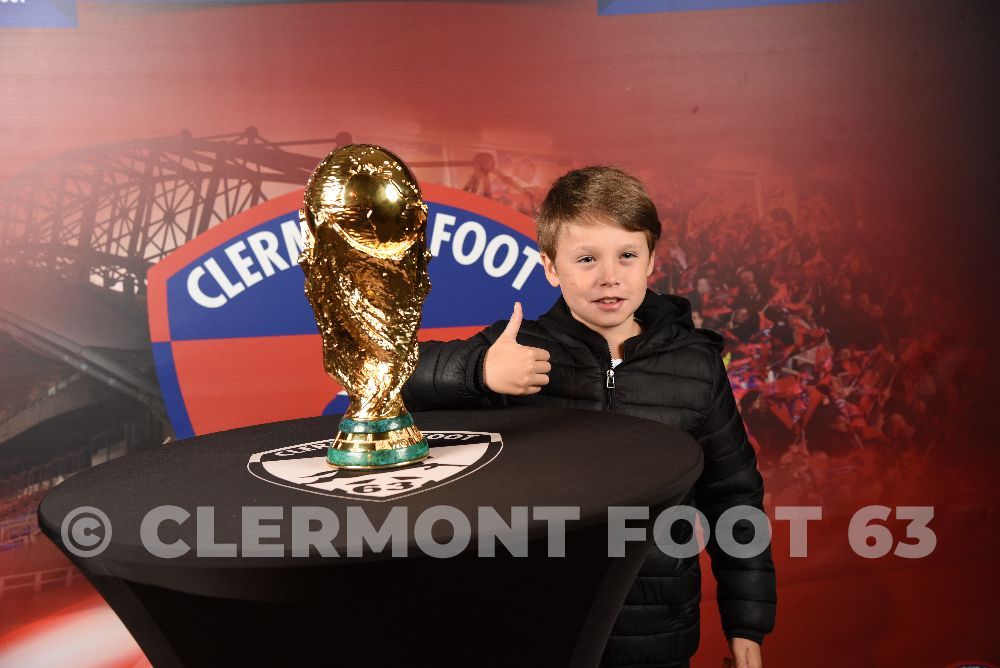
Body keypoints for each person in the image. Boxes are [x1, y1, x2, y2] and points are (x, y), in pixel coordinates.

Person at [402, 166, 776, 668]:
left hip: (657, 635)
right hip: (539, 624)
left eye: (627, 255)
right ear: (551, 267)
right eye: (586, 259)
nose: (609, 276)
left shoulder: (696, 364)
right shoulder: (518, 349)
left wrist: (746, 622)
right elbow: (391, 377)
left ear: (651, 260)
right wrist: (479, 370)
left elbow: (734, 495)